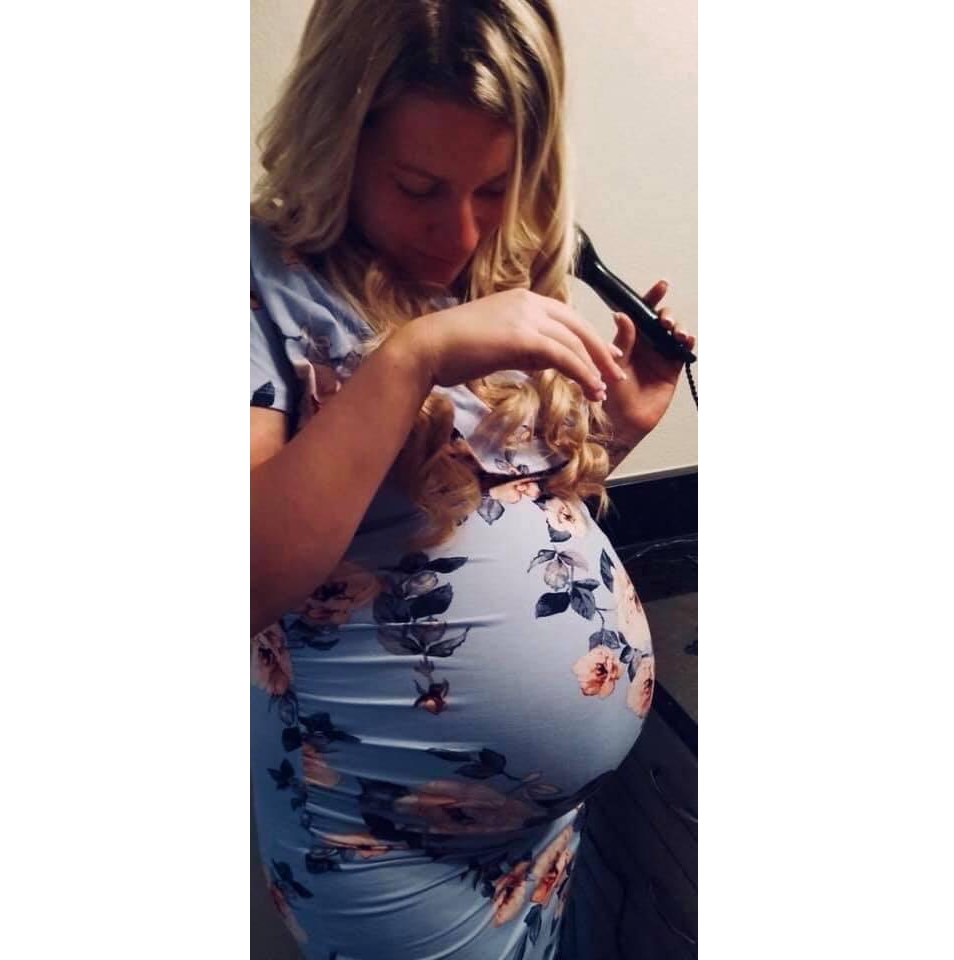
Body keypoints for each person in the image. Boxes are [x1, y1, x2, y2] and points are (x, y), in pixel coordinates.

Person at [250, 2, 695, 957]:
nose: (458, 232)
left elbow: (487, 512)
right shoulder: (253, 285)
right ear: (334, 142)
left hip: (545, 838)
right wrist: (411, 358)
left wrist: (619, 425)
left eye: (494, 188)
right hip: (385, 850)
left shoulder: (491, 263)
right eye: (418, 187)